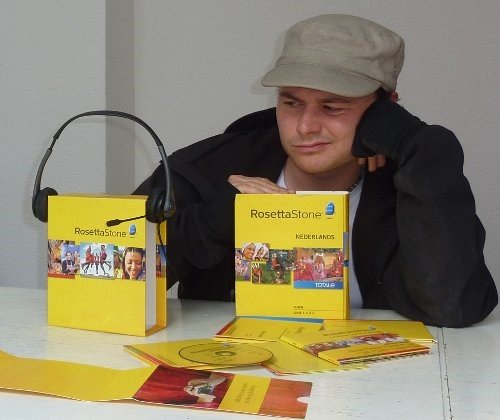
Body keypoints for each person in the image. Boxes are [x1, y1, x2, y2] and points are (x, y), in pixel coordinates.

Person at [135, 14, 497, 327]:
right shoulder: (213, 167)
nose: (305, 126)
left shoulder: (409, 177)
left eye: (332, 107)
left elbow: (454, 306)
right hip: (234, 374)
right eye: (291, 102)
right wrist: (210, 225)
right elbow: (109, 283)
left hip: (379, 379)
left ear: (386, 109)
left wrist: (420, 147)